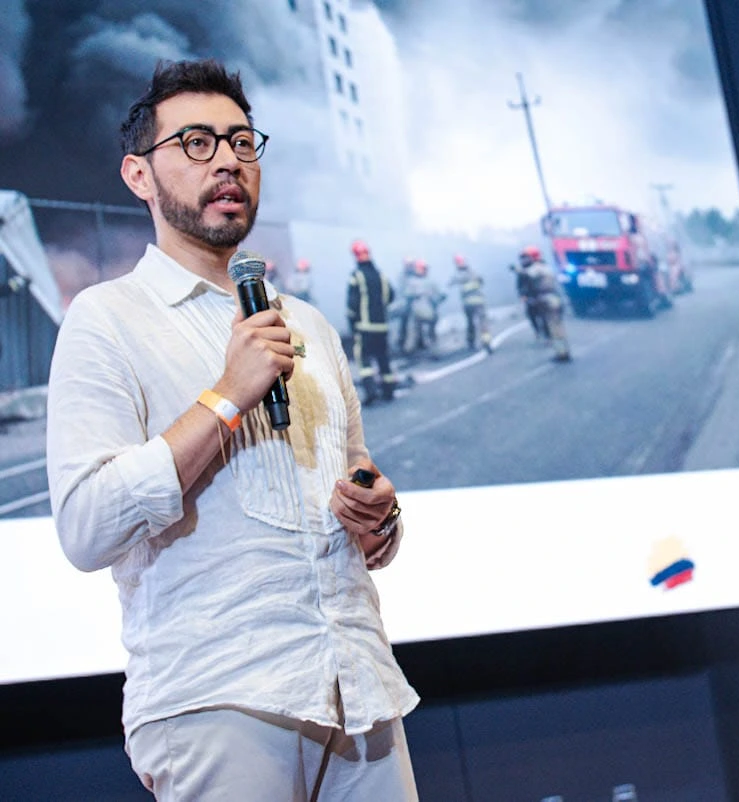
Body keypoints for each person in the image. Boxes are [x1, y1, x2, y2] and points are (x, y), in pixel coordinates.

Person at [45, 59, 420, 800]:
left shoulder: (304, 321)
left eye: (242, 142)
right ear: (138, 175)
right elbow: (85, 527)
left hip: (362, 691)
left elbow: (359, 495)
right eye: (195, 143)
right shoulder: (107, 319)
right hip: (219, 699)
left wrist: (380, 519)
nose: (226, 160)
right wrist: (226, 397)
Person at [347, 239, 402, 403]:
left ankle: (371, 392)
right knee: (383, 357)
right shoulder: (381, 276)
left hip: (365, 327)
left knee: (363, 359)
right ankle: (389, 390)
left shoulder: (356, 276)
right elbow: (391, 296)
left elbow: (352, 304)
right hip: (382, 326)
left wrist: (353, 324)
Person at [514, 245, 570, 362]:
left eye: (527, 257)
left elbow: (527, 274)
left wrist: (517, 270)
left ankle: (562, 353)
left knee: (554, 327)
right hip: (553, 298)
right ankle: (563, 351)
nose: (525, 260)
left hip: (547, 299)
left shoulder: (537, 268)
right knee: (556, 326)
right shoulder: (546, 267)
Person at [447, 253, 491, 352]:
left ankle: (472, 342)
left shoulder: (459, 275)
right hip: (478, 302)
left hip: (469, 303)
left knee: (472, 323)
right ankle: (486, 342)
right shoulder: (473, 272)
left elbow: (450, 283)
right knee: (482, 323)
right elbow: (481, 281)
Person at [400, 259, 443, 357]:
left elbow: (407, 295)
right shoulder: (431, 282)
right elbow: (438, 297)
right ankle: (433, 351)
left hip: (417, 312)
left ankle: (409, 350)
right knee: (431, 333)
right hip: (429, 312)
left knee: (413, 331)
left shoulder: (411, 282)